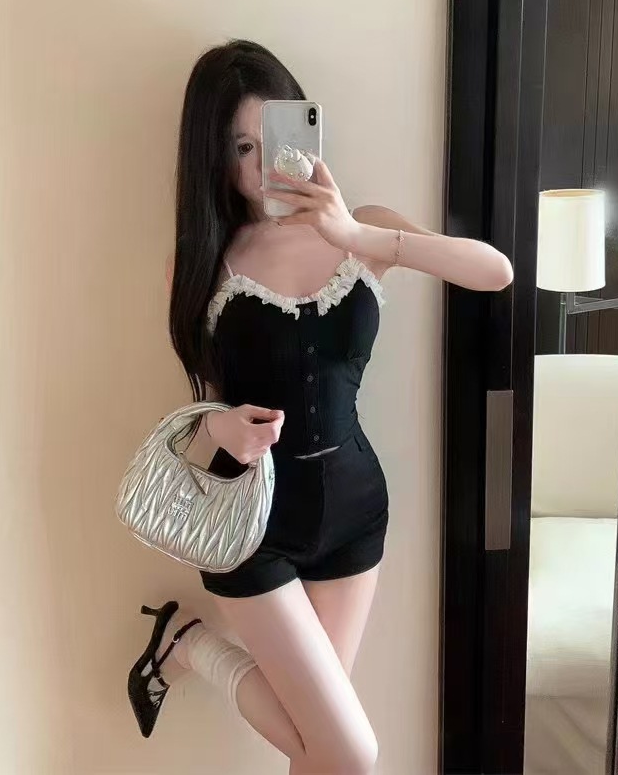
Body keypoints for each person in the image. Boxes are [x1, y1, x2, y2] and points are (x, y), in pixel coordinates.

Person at [127, 40, 513, 773]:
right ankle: (193, 646)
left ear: (303, 128)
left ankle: (183, 645)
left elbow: (494, 272)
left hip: (354, 515)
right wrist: (221, 427)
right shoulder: (206, 259)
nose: (259, 166)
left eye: (269, 138)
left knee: (319, 755)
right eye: (239, 147)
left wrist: (354, 234)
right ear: (213, 157)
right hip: (251, 523)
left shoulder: (365, 226)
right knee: (349, 753)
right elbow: (203, 406)